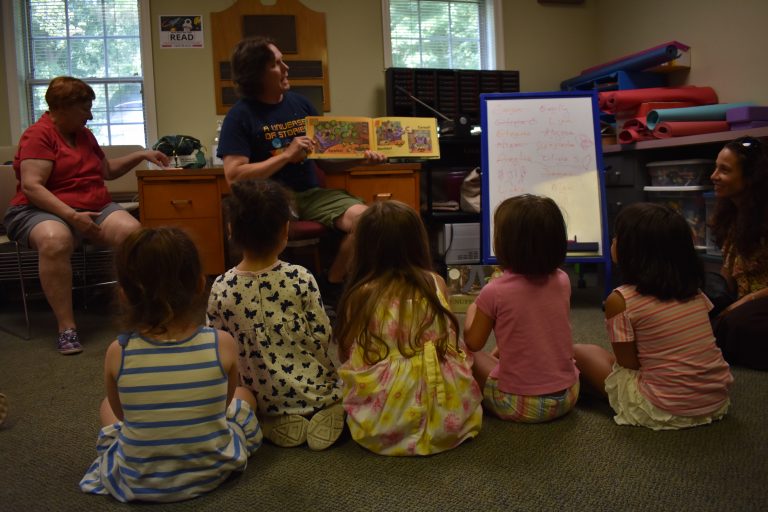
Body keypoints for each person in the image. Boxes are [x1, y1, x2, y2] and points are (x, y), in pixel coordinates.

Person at [80, 227, 262, 503]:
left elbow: (122, 414)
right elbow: (223, 406)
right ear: (202, 284)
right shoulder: (222, 344)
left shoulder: (119, 351)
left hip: (137, 477)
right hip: (213, 469)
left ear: (123, 295)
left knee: (107, 406)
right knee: (245, 394)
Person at [3, 76, 171, 355]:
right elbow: (33, 187)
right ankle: (66, 328)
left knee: (135, 237)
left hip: (92, 206)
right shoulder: (39, 135)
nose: (90, 115)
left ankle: (137, 314)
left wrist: (141, 154)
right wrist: (72, 216)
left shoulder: (84, 135)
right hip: (38, 209)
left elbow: (106, 171)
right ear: (62, 107)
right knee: (56, 239)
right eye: (85, 109)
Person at [217, 36, 386, 301]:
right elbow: (235, 178)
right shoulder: (239, 116)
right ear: (256, 74)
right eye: (277, 63)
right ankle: (274, 297)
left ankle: (332, 283)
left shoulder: (301, 105)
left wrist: (361, 159)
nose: (286, 68)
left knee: (370, 221)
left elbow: (326, 160)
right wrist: (286, 156)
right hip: (267, 201)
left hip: (311, 195)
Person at [335, 200, 482, 456]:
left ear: (364, 247)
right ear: (417, 242)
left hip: (385, 414)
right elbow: (448, 337)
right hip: (441, 401)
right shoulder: (435, 282)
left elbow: (346, 352)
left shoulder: (362, 293)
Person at [207, 179, 344, 451]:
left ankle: (268, 421)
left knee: (239, 398)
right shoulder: (300, 277)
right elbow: (323, 334)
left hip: (260, 394)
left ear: (231, 230)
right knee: (350, 381)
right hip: (314, 388)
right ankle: (330, 409)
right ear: (285, 231)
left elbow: (216, 347)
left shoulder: (221, 287)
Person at [574, 203, 733, 430]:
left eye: (618, 237)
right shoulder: (694, 291)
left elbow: (628, 364)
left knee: (581, 352)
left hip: (663, 408)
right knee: (602, 360)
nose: (613, 241)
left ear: (634, 251)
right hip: (715, 401)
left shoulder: (620, 300)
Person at [463, 195, 580, 423]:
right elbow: (531, 330)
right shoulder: (563, 280)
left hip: (518, 404)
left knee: (468, 355)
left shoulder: (494, 290)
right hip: (568, 397)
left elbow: (473, 342)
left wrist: (470, 313)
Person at [707, 136, 768, 370]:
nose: (713, 176)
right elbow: (728, 272)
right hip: (743, 297)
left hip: (760, 300)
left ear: (751, 177)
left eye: (724, 170)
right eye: (716, 167)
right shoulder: (731, 212)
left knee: (736, 323)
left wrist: (744, 302)